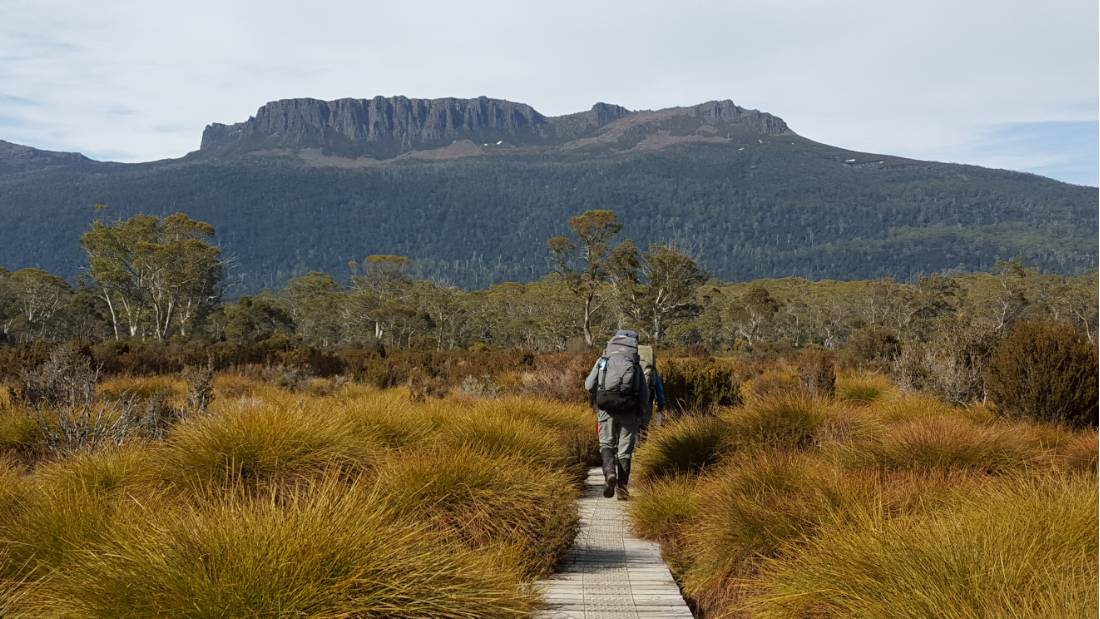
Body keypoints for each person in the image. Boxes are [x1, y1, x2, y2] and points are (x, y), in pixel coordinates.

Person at [584, 330, 648, 500]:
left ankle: (609, 473)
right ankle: (622, 490)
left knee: (606, 443)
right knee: (625, 451)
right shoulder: (635, 364)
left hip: (606, 408)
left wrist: (600, 394)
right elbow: (644, 393)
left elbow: (588, 384)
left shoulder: (603, 360)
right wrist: (641, 415)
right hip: (629, 410)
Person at [637, 344, 666, 436]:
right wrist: (661, 404)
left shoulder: (630, 367)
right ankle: (642, 448)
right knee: (644, 426)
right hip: (647, 402)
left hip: (630, 402)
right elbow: (659, 389)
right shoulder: (652, 371)